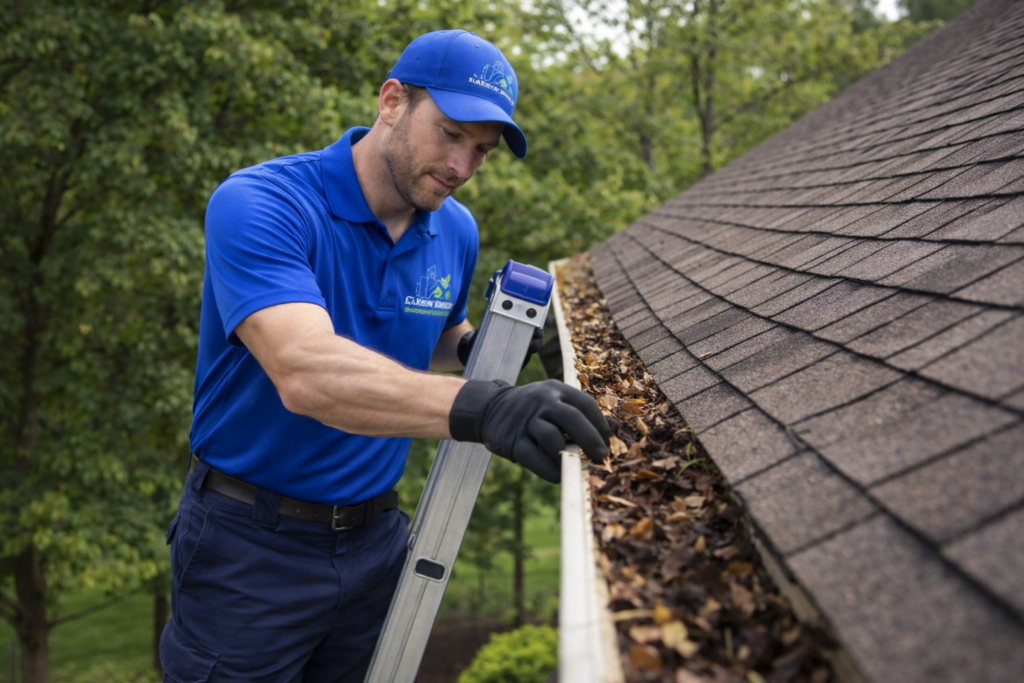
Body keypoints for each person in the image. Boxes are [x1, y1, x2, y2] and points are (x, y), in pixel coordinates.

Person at [159, 29, 610, 683]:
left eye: (481, 152)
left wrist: (486, 346)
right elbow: (305, 370)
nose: (462, 167)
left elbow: (430, 331)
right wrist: (486, 408)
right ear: (392, 101)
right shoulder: (262, 204)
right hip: (251, 548)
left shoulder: (453, 227)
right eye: (451, 133)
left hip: (377, 541)